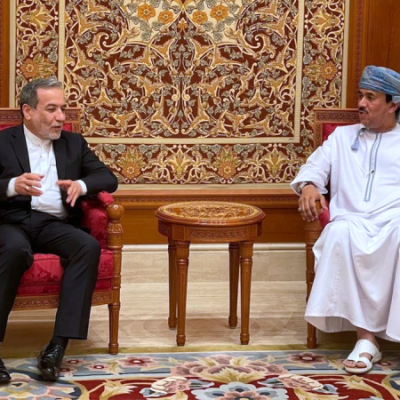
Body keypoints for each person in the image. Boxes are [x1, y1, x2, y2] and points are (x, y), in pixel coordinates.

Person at [0, 78, 118, 383]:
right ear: (28, 111)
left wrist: (81, 184)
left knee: (87, 246)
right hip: (11, 222)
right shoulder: (3, 141)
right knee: (13, 250)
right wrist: (12, 185)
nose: (61, 117)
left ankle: (57, 346)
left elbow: (108, 178)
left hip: (54, 224)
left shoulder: (73, 143)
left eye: (62, 109)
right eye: (51, 109)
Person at [291, 65, 400, 374]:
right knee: (340, 234)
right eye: (360, 96)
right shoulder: (342, 137)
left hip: (394, 220)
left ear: (393, 105)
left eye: (370, 97)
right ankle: (366, 340)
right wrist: (309, 186)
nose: (361, 104)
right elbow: (314, 168)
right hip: (351, 220)